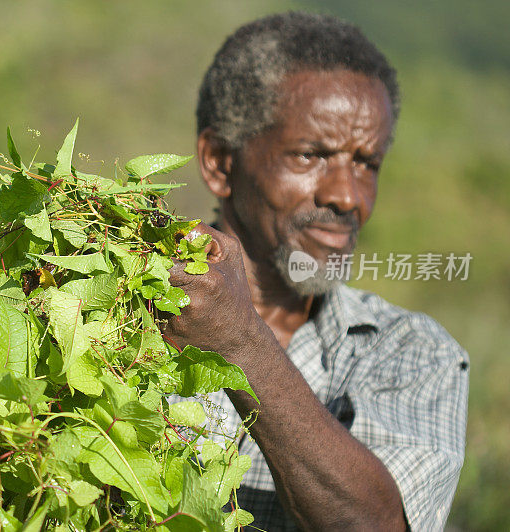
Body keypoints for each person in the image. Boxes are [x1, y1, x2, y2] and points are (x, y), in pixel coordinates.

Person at [164, 12, 469, 531]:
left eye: (366, 162)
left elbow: (376, 525)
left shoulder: (410, 352)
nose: (347, 196)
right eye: (310, 155)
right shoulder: (112, 316)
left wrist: (242, 344)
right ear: (219, 161)